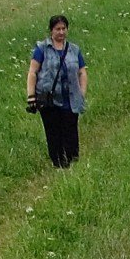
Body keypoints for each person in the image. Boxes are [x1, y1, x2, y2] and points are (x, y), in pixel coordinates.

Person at [26, 14, 87, 167]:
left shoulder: (74, 49)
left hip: (70, 98)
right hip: (49, 99)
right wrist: (31, 96)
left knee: (71, 131)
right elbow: (33, 72)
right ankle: (58, 163)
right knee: (53, 132)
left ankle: (73, 161)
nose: (61, 32)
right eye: (57, 29)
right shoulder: (42, 49)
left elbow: (82, 71)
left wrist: (82, 92)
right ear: (51, 31)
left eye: (63, 28)